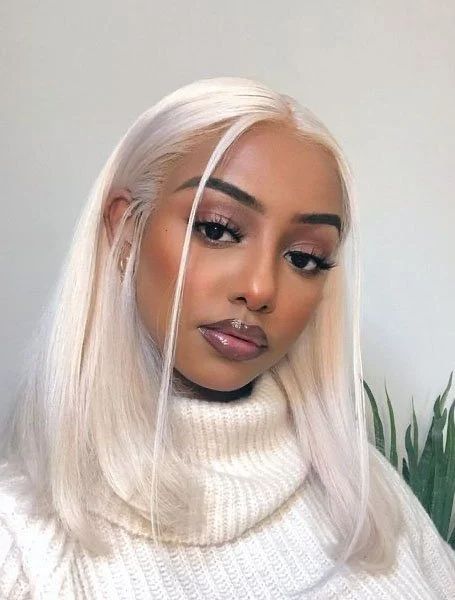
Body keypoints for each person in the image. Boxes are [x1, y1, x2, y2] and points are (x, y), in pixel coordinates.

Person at [0, 77, 453, 599]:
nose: (260, 289)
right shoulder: (23, 548)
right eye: (217, 229)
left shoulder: (365, 493)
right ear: (125, 230)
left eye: (305, 258)